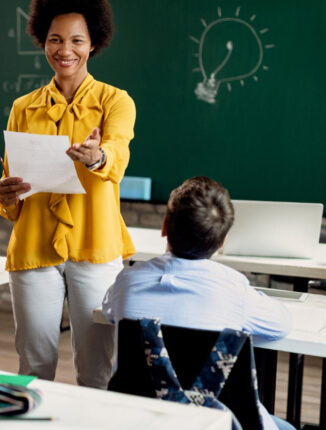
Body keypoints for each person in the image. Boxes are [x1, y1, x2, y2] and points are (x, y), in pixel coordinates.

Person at [0, 0, 135, 388]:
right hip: (34, 247)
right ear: (43, 41)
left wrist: (97, 156)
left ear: (93, 44)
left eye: (76, 40)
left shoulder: (115, 101)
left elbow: (118, 156)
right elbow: (10, 195)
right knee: (34, 367)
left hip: (94, 246)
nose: (65, 50)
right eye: (55, 39)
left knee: (96, 371)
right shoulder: (23, 107)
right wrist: (6, 196)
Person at [102, 176, 294, 430]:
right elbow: (282, 325)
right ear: (222, 242)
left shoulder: (128, 282)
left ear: (164, 226)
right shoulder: (234, 289)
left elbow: (108, 310)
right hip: (219, 423)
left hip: (140, 421)